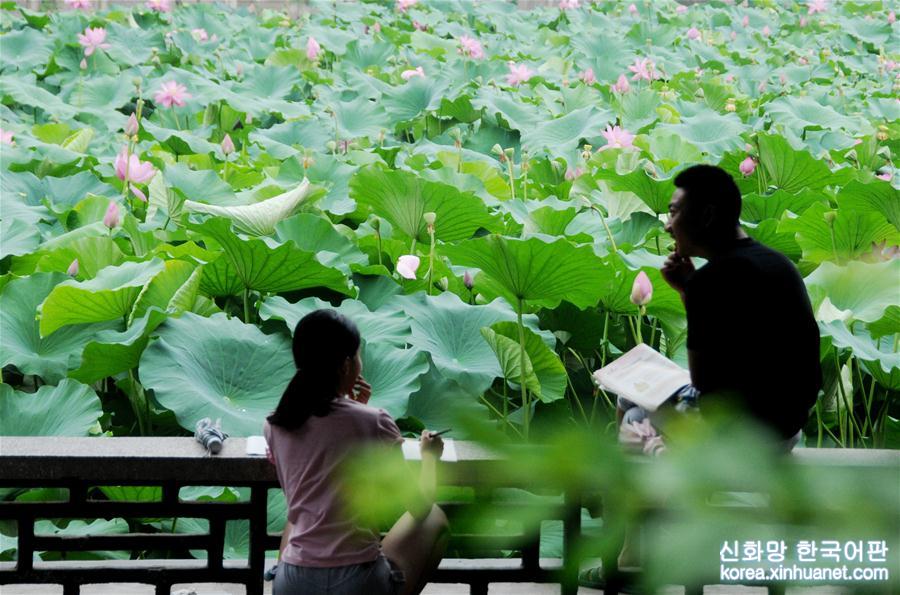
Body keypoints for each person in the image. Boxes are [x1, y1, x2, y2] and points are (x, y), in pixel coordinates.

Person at [264, 309, 449, 595]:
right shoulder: (374, 421)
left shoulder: (276, 423)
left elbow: (314, 479)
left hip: (293, 583)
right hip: (358, 584)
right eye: (359, 356)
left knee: (299, 514)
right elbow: (420, 507)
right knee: (434, 517)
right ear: (346, 364)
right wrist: (429, 458)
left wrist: (358, 408)